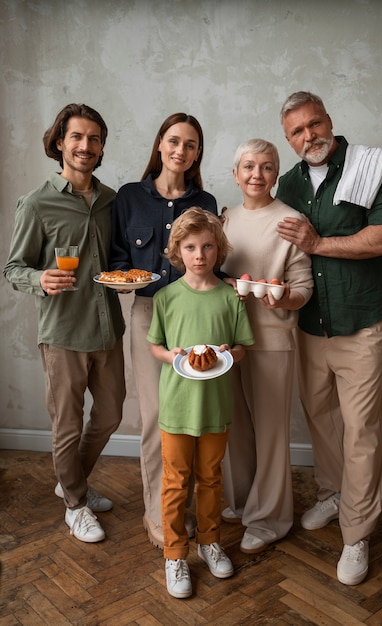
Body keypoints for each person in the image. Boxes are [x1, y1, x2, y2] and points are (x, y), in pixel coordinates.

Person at [275, 91, 382, 585]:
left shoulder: (375, 166)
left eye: (314, 124)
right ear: (288, 138)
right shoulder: (286, 184)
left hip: (361, 325)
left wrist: (318, 243)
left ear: (329, 120)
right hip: (310, 325)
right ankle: (333, 493)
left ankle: (357, 533)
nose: (309, 136)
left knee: (362, 433)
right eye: (297, 131)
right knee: (322, 419)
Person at [3, 103, 126, 543]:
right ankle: (75, 505)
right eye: (77, 137)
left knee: (110, 415)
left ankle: (71, 481)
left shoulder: (113, 199)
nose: (85, 146)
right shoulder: (36, 203)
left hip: (108, 328)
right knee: (67, 426)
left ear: (101, 146)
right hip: (63, 334)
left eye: (94, 138)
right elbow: (13, 268)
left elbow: (120, 261)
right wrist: (40, 277)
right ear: (60, 142)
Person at [109, 113, 218, 549]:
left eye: (190, 145)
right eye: (174, 141)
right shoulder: (129, 197)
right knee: (157, 416)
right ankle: (158, 511)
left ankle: (181, 502)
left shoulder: (206, 202)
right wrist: (131, 278)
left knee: (190, 415)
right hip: (148, 315)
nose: (180, 150)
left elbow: (210, 260)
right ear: (159, 144)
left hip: (195, 316)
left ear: (196, 154)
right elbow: (118, 260)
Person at [146, 207, 254, 598]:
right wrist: (173, 355)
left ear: (218, 249)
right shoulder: (166, 297)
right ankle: (175, 554)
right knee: (175, 481)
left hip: (215, 407)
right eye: (191, 247)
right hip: (176, 406)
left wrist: (228, 353)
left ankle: (210, 541)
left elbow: (243, 348)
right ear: (178, 250)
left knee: (210, 477)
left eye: (208, 246)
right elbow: (155, 346)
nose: (200, 254)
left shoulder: (230, 297)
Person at [220, 138, 314, 554]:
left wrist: (282, 295)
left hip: (272, 339)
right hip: (229, 338)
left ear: (278, 173)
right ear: (236, 173)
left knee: (272, 433)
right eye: (249, 167)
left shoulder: (291, 219)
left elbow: (303, 289)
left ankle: (271, 518)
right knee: (235, 428)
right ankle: (242, 502)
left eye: (267, 167)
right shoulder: (224, 219)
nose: (257, 175)